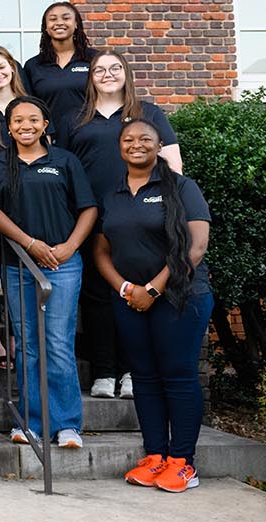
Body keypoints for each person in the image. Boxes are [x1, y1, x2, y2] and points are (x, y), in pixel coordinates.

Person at [94, 118, 213, 494]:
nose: (136, 144)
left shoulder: (181, 187)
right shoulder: (112, 193)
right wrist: (125, 288)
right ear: (120, 147)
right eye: (128, 139)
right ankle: (155, 456)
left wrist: (153, 289)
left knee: (177, 376)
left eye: (145, 138)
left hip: (181, 297)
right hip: (130, 300)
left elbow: (195, 246)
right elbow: (101, 250)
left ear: (159, 144)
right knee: (144, 378)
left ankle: (183, 462)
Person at [58, 50, 183, 399]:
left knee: (134, 290)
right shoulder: (74, 118)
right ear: (90, 77)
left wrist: (167, 209)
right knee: (97, 294)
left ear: (126, 74)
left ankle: (132, 371)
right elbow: (62, 167)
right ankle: (103, 371)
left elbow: (173, 167)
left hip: (138, 216)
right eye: (100, 69)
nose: (107, 74)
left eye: (115, 68)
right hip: (90, 215)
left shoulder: (149, 113)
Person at [0, 96, 96, 448]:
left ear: (46, 124)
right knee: (28, 346)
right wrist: (30, 244)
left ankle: (66, 424)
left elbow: (88, 209)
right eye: (17, 120)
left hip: (62, 264)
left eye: (33, 119)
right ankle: (30, 421)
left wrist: (69, 247)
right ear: (9, 126)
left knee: (58, 343)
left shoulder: (64, 161)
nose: (25, 126)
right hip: (18, 265)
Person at [23, 2, 96, 129]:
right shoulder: (33, 65)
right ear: (46, 27)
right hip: (51, 137)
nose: (59, 23)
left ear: (76, 24)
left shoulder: (94, 59)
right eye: (53, 19)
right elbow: (30, 106)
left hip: (89, 134)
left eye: (66, 18)